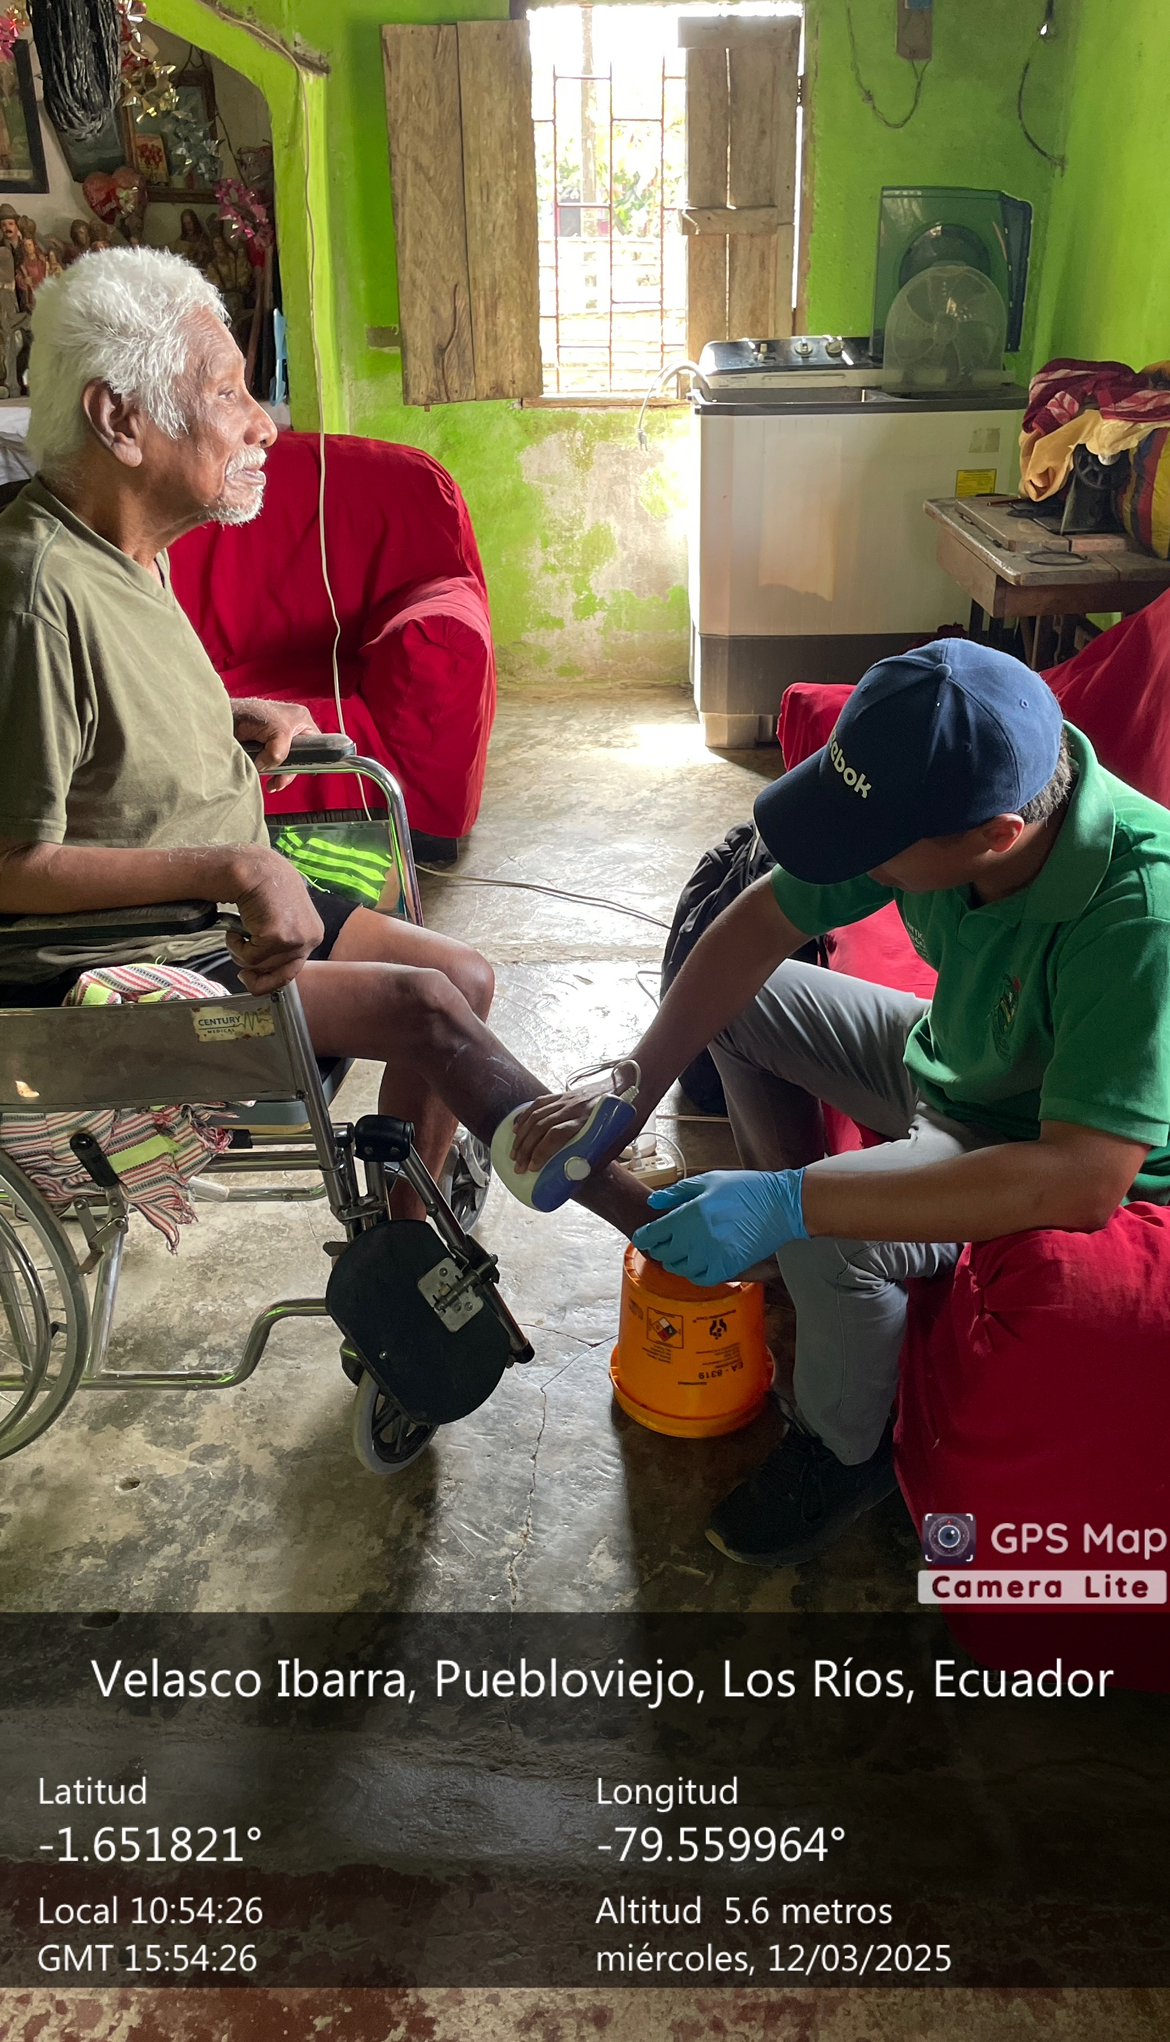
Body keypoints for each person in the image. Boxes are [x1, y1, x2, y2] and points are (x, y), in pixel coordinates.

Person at [0, 246, 649, 1240]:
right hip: (125, 964)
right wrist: (239, 863)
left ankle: (401, 1241)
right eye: (227, 392)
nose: (263, 422)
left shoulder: (129, 551)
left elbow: (93, 720)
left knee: (467, 978)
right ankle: (634, 1209)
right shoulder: (34, 590)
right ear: (119, 420)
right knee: (428, 1008)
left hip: (211, 909)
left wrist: (224, 712)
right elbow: (12, 860)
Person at [510, 639, 1170, 1567]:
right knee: (744, 1007)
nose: (857, 865)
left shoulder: (1138, 913)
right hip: (955, 1061)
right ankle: (795, 1259)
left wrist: (800, 1205)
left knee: (832, 1233)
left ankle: (847, 1449)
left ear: (996, 837)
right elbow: (760, 922)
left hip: (1035, 1146)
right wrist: (629, 1088)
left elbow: (1084, 1179)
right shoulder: (935, 804)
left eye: (876, 856)